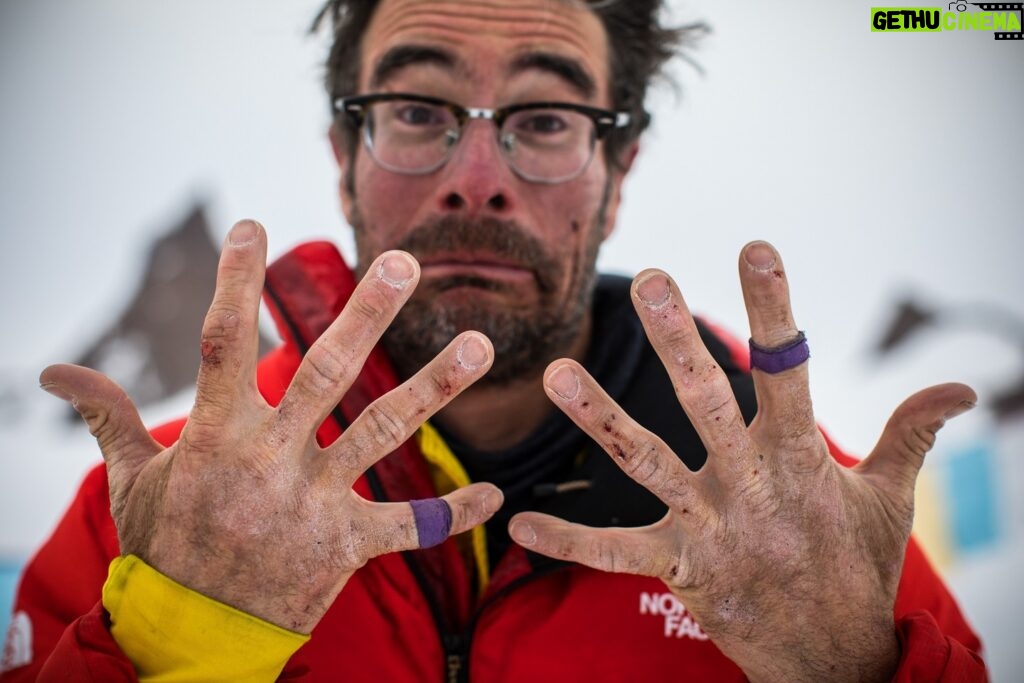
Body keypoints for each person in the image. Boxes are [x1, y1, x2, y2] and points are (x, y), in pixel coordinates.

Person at [1, 0, 986, 680]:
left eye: (546, 117)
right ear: (344, 159)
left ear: (618, 167)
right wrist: (187, 640)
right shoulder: (155, 514)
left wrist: (848, 661)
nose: (477, 174)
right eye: (419, 111)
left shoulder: (813, 526)